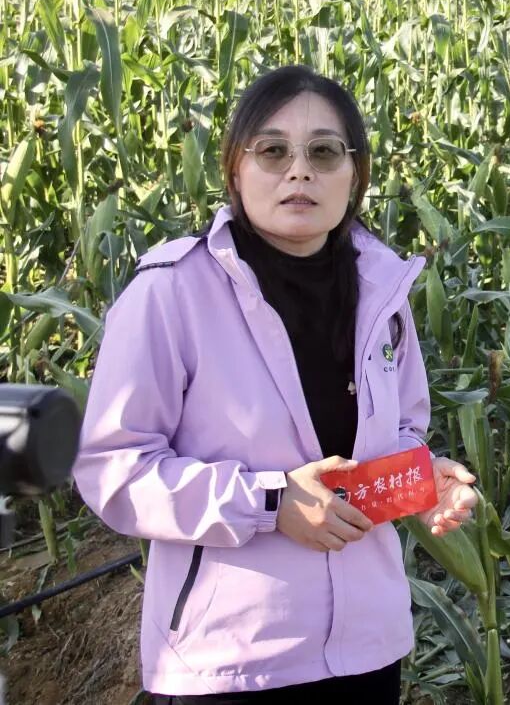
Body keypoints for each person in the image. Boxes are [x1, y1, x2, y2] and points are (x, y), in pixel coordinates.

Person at [72, 65, 479, 703]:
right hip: (230, 661)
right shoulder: (171, 293)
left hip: (366, 651)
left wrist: (424, 479)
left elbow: (399, 433)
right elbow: (113, 469)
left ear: (355, 173)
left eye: (323, 151)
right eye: (272, 151)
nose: (299, 170)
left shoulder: (382, 293)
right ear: (235, 169)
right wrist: (269, 502)